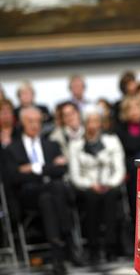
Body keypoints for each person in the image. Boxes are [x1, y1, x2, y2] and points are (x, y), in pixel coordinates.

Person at [4, 106, 82, 274]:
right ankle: (69, 242)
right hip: (28, 195)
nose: (35, 125)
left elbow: (62, 170)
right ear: (22, 123)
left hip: (49, 196)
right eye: (30, 121)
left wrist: (33, 168)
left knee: (48, 196)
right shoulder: (12, 149)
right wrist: (48, 168)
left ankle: (57, 255)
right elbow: (14, 178)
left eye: (38, 121)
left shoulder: (51, 144)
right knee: (56, 187)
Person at [69, 104, 125, 264]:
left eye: (96, 120)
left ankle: (110, 247)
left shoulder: (112, 141)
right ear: (84, 123)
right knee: (91, 199)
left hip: (109, 184)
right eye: (89, 121)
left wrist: (109, 183)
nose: (92, 125)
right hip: (87, 186)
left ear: (101, 122)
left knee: (111, 198)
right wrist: (90, 184)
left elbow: (119, 169)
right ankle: (93, 248)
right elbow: (75, 175)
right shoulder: (76, 145)